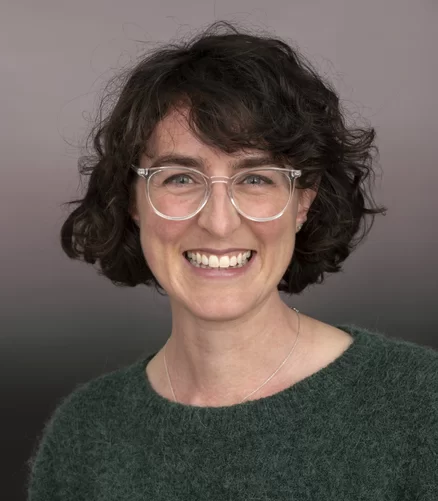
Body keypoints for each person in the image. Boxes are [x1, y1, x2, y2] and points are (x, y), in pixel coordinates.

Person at [27, 20, 437, 500]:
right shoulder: (83, 436)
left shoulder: (420, 408)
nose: (219, 223)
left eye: (256, 178)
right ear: (133, 201)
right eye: (180, 178)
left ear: (303, 201)